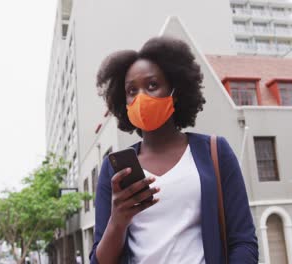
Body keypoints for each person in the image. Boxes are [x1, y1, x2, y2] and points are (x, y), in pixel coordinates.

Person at [89, 36, 258, 264]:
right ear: (123, 101)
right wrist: (117, 221)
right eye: (131, 91)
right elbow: (98, 261)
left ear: (175, 91)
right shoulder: (114, 169)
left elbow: (243, 241)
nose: (141, 98)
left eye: (152, 85)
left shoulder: (216, 152)